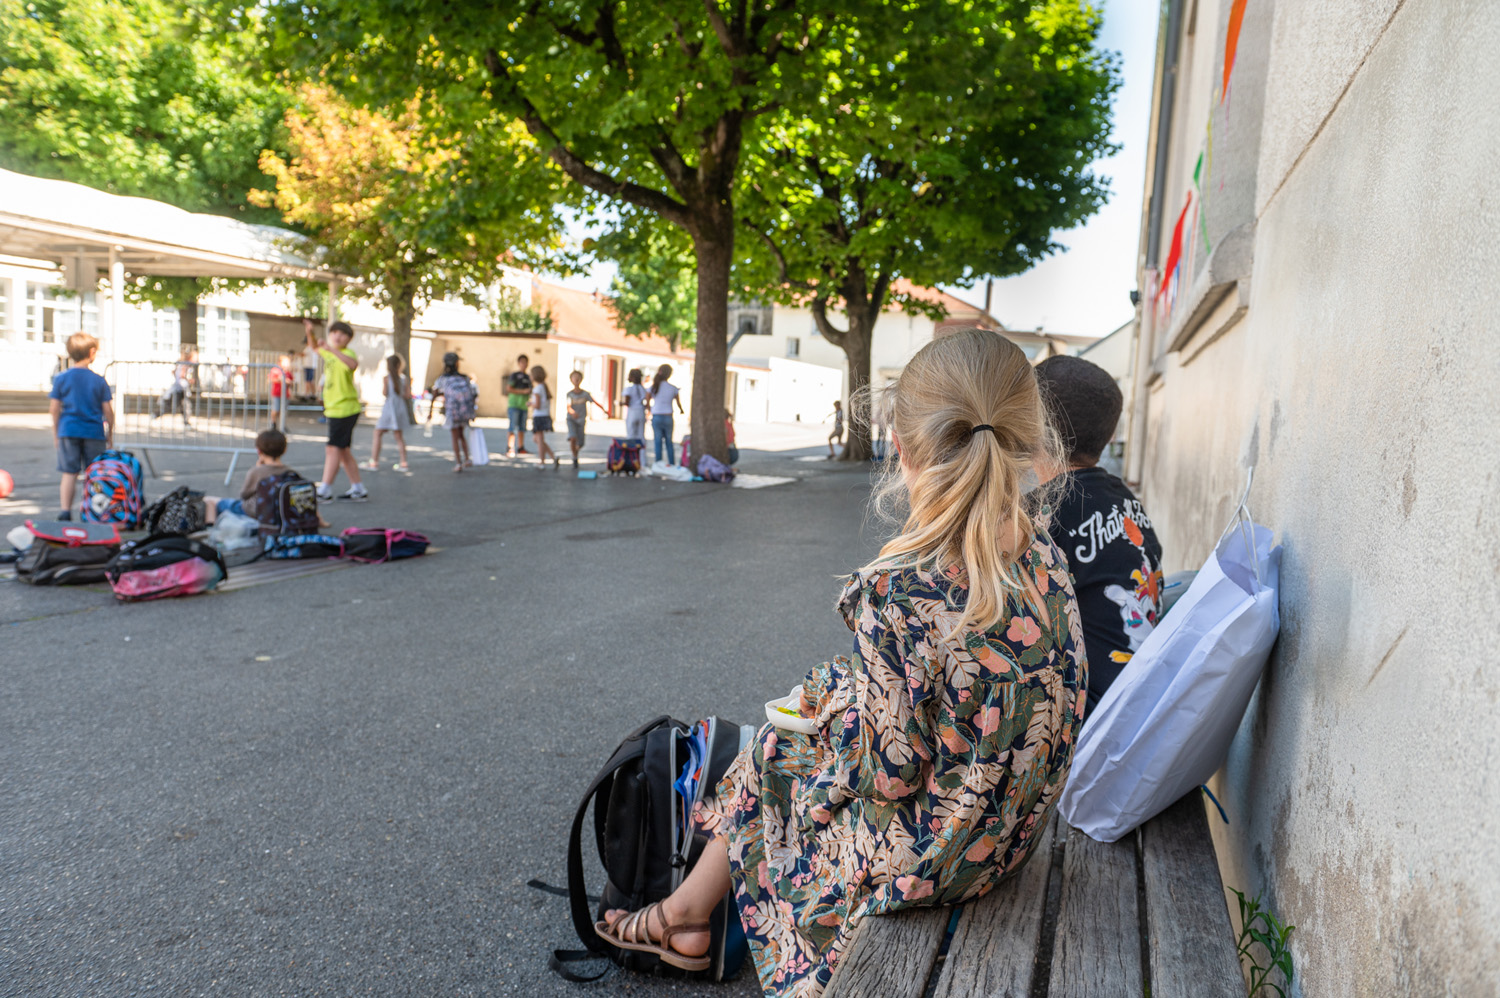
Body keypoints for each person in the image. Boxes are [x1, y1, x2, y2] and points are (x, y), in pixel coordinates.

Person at [594, 328, 1085, 996]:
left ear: (903, 451)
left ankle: (684, 919)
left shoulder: (900, 588)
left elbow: (889, 777)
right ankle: (686, 919)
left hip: (933, 861)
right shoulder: (1044, 557)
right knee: (792, 736)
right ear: (1029, 444)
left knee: (772, 751)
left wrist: (827, 717)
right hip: (1008, 836)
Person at [1034, 354, 1164, 701]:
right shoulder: (1125, 498)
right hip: (1139, 699)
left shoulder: (1038, 516)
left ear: (1032, 425)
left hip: (1086, 720)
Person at [49, 332, 114, 521]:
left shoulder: (61, 378)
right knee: (94, 474)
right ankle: (94, 511)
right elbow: (108, 411)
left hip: (68, 431)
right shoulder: (98, 380)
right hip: (93, 432)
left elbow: (54, 409)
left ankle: (65, 511)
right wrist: (110, 434)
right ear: (92, 352)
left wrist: (56, 434)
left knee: (69, 473)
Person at [304, 318, 367, 502]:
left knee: (333, 449)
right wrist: (310, 331)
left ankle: (325, 489)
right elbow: (314, 346)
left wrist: (330, 348)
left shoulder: (347, 353)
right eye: (334, 333)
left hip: (345, 409)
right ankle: (358, 488)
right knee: (343, 451)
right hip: (334, 410)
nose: (337, 336)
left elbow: (353, 365)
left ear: (348, 338)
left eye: (342, 334)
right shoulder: (329, 354)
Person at [204, 427, 296, 523]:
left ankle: (210, 530)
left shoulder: (256, 471)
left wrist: (258, 468)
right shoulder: (291, 472)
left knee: (209, 501)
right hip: (279, 513)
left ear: (259, 450)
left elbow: (244, 495)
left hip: (254, 511)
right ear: (284, 450)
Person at [429, 352, 475, 472]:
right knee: (461, 435)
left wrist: (430, 412)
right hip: (464, 412)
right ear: (457, 363)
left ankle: (458, 463)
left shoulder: (442, 379)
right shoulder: (464, 378)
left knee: (454, 437)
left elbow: (435, 394)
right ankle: (467, 459)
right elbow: (472, 395)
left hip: (452, 412)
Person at [367, 353, 412, 472]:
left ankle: (374, 461)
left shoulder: (387, 378)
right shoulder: (404, 378)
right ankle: (403, 462)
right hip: (399, 408)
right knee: (399, 436)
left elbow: (385, 393)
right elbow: (408, 395)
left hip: (389, 408)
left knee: (377, 433)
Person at [564, 370, 608, 469]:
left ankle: (575, 451)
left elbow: (595, 402)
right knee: (572, 437)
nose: (576, 379)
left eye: (578, 377)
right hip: (571, 419)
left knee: (581, 442)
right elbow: (568, 406)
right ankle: (574, 457)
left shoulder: (585, 394)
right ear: (571, 380)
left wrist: (604, 410)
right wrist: (573, 412)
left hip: (581, 420)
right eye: (574, 377)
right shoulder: (569, 394)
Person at [649, 363, 684, 465]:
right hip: (668, 416)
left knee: (658, 441)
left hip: (656, 416)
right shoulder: (672, 388)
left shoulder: (654, 387)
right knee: (669, 442)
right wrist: (681, 410)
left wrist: (648, 410)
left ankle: (658, 464)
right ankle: (671, 464)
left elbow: (647, 400)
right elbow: (678, 403)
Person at [152, 347, 195, 427]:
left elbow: (174, 372)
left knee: (184, 405)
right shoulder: (185, 364)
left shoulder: (183, 363)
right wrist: (189, 380)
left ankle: (186, 422)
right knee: (173, 405)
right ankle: (155, 414)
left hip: (179, 388)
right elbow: (181, 375)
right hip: (180, 388)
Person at [529, 365, 560, 469]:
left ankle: (542, 462)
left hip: (539, 416)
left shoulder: (537, 389)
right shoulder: (543, 387)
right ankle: (553, 457)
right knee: (537, 439)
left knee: (539, 440)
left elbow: (537, 405)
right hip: (545, 415)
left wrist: (530, 404)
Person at [505, 354, 533, 458]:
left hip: (524, 406)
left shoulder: (528, 377)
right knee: (512, 426)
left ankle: (521, 447)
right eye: (522, 362)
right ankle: (510, 448)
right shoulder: (514, 375)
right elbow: (508, 388)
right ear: (518, 363)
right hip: (514, 405)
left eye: (525, 362)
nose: (524, 364)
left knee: (522, 428)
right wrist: (522, 391)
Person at [621, 368, 649, 443]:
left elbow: (627, 402)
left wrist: (620, 403)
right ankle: (641, 454)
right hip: (641, 411)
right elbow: (646, 400)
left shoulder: (629, 389)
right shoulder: (643, 389)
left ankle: (631, 452)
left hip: (632, 412)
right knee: (641, 435)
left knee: (631, 434)